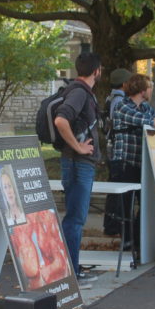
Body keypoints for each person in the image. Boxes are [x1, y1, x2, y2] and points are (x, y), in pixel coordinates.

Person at [53, 52, 102, 281]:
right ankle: (70, 271)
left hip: (78, 163)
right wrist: (79, 147)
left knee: (75, 218)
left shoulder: (79, 91)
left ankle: (72, 267)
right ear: (97, 71)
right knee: (75, 218)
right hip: (77, 163)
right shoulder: (80, 93)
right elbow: (61, 120)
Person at [110, 74, 155, 246]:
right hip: (124, 162)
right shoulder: (122, 106)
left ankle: (139, 241)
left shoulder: (145, 107)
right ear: (142, 90)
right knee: (126, 205)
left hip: (141, 164)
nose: (151, 90)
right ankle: (127, 241)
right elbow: (146, 121)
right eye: (150, 87)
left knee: (144, 203)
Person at [103, 68, 133, 236]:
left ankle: (112, 224)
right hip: (117, 149)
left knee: (114, 187)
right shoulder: (120, 101)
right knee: (117, 189)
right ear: (124, 84)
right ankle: (113, 226)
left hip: (111, 147)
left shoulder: (111, 97)